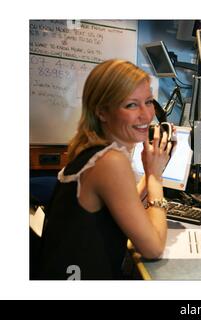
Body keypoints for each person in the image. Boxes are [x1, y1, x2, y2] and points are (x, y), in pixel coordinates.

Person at [38, 59, 173, 279]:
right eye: (131, 105)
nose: (147, 115)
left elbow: (118, 203)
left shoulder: (91, 150)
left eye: (148, 102)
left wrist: (148, 174)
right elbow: (154, 248)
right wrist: (156, 179)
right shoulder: (110, 161)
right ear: (102, 112)